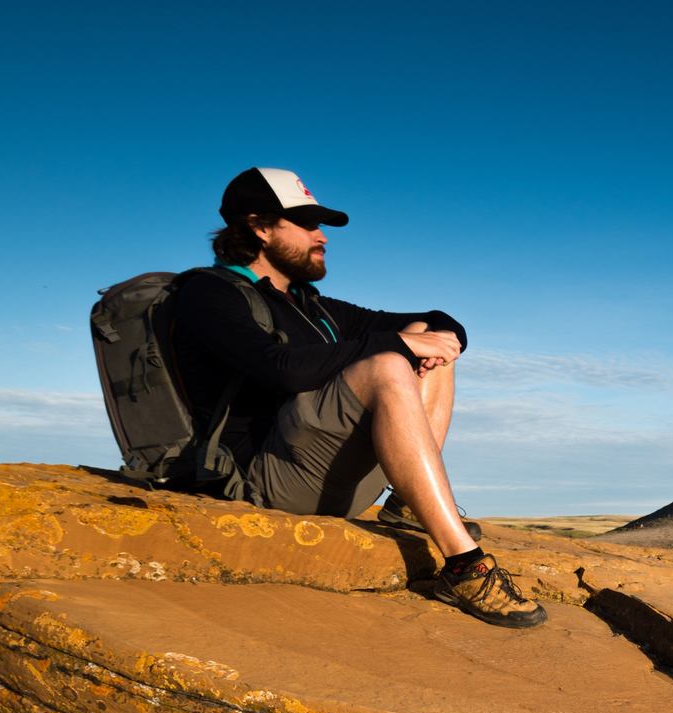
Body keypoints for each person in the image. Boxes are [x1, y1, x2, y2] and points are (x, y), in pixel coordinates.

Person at [171, 166, 545, 628]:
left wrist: (441, 337)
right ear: (260, 227)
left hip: (324, 480)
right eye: (307, 223)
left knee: (427, 339)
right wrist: (399, 346)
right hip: (262, 482)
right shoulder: (209, 294)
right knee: (389, 360)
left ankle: (407, 506)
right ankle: (464, 567)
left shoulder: (310, 305)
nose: (321, 236)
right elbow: (278, 369)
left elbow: (432, 320)